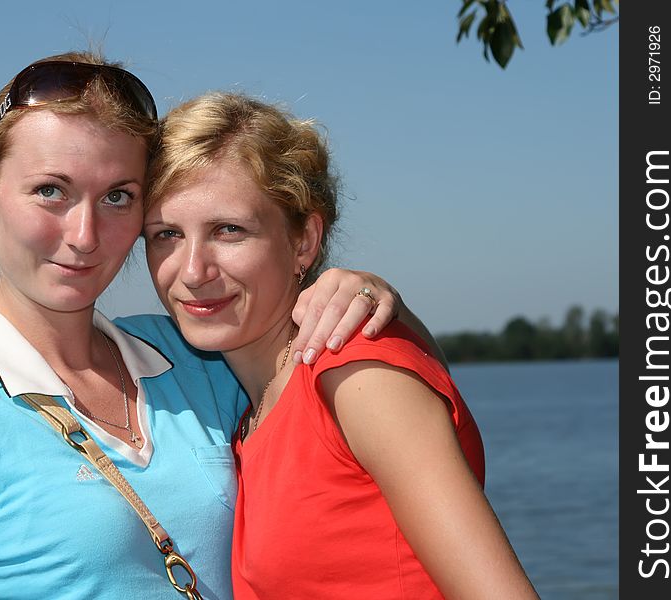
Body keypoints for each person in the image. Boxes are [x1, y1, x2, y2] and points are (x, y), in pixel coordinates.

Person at [0, 52, 432, 600]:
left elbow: (402, 414)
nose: (85, 234)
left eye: (118, 196)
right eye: (50, 191)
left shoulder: (190, 352)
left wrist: (379, 300)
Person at [143, 92, 541, 599]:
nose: (193, 271)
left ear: (304, 241)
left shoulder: (355, 375)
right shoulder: (254, 411)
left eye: (229, 230)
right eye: (166, 235)